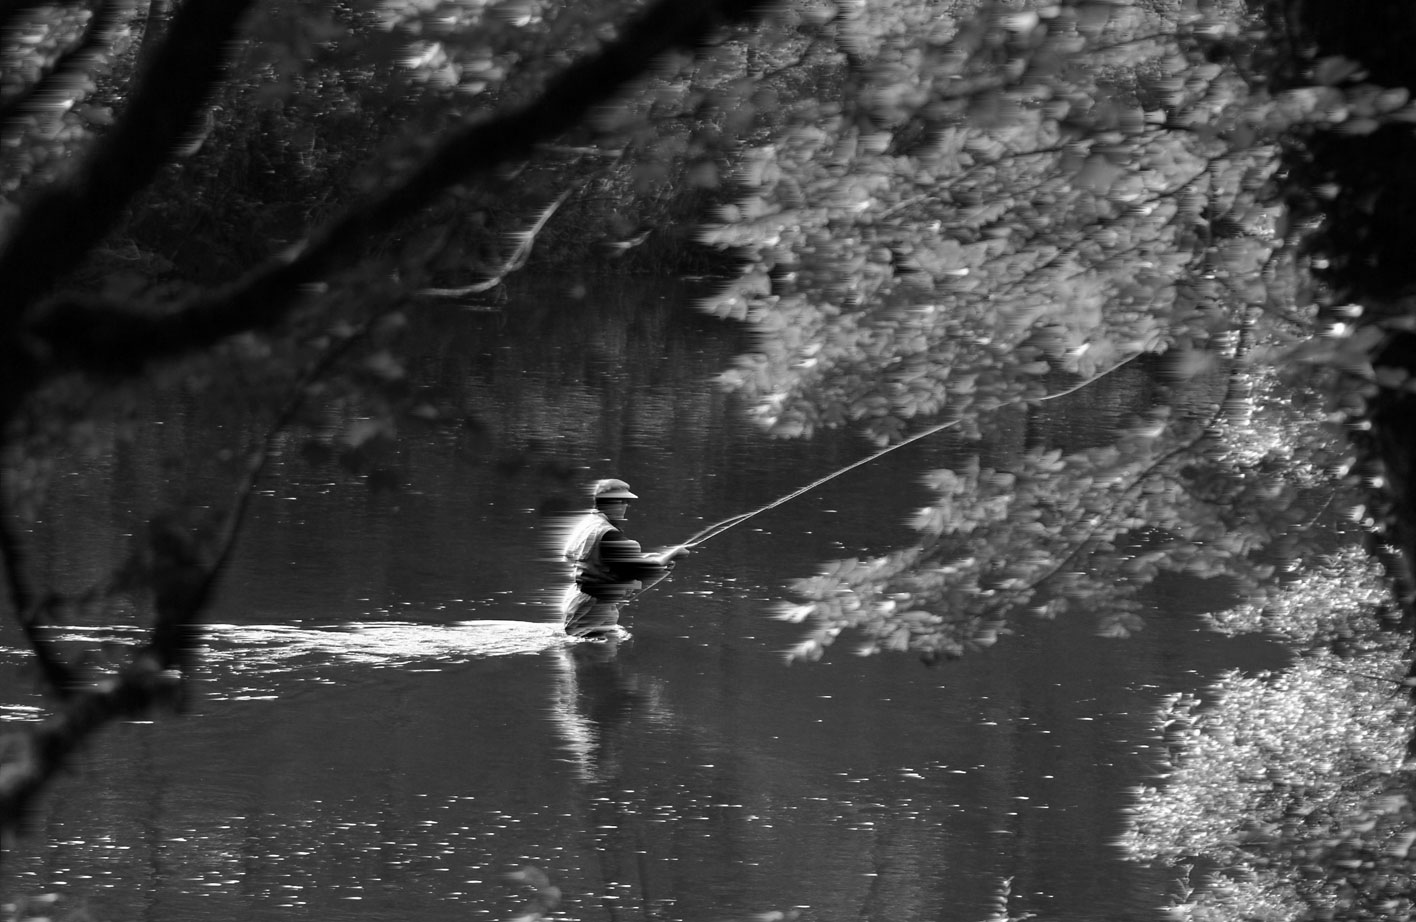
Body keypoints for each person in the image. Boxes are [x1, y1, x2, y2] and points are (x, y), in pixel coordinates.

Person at [559, 479, 690, 638]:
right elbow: (637, 570)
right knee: (596, 650)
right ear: (612, 502)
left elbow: (605, 561)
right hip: (594, 607)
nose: (626, 506)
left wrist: (652, 559)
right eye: (624, 501)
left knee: (591, 645)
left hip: (579, 599)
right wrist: (672, 555)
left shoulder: (590, 523)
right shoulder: (609, 534)